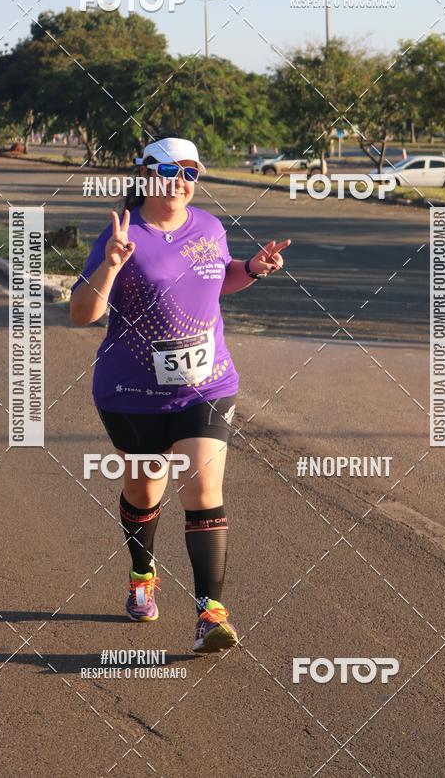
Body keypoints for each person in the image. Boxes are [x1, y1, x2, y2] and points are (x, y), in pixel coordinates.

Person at [70, 137, 290, 653]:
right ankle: (142, 574)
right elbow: (82, 313)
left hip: (207, 386)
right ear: (145, 175)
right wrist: (112, 264)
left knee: (202, 489)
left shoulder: (209, 227)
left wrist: (251, 269)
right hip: (132, 392)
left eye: (190, 172)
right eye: (168, 171)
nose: (180, 182)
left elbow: (216, 279)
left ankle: (210, 615)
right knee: (146, 490)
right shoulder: (123, 235)